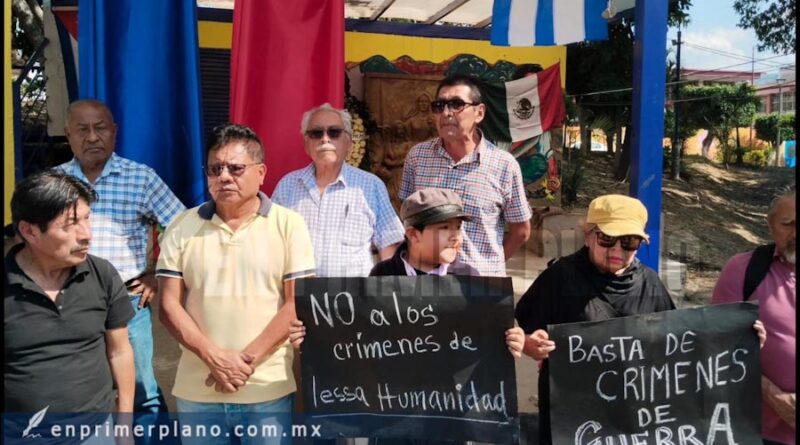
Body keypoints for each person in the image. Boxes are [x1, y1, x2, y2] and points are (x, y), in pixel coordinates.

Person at [157, 123, 315, 444]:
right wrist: (213, 358)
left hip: (266, 389)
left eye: (235, 168)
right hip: (198, 392)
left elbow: (295, 303)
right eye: (215, 169)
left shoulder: (289, 225)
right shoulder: (181, 225)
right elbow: (168, 305)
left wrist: (242, 364)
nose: (224, 177)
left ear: (261, 172)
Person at [54, 99, 186, 416]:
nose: (92, 137)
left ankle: (152, 437)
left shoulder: (141, 178)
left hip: (128, 303)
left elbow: (183, 228)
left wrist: (158, 274)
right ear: (68, 135)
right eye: (82, 130)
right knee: (78, 391)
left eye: (100, 128)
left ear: (114, 132)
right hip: (68, 304)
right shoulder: (54, 183)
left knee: (141, 391)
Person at [515, 194, 675, 445]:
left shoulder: (651, 284)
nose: (617, 249)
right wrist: (531, 344)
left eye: (629, 241)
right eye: (607, 238)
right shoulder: (560, 277)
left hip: (630, 418)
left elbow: (675, 346)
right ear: (588, 236)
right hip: (570, 417)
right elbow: (527, 331)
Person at [290, 187, 525, 355]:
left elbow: (485, 333)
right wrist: (314, 335)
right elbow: (361, 337)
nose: (456, 236)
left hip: (450, 399)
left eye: (458, 227)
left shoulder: (469, 278)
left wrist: (511, 339)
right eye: (444, 227)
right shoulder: (382, 276)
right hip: (396, 397)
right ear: (413, 234)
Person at [5, 171, 134, 433]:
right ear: (29, 231)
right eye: (70, 224)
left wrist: (124, 426)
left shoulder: (102, 275)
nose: (87, 235)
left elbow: (120, 352)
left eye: (87, 218)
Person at [399, 75, 531, 277]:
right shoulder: (417, 157)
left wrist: (488, 267)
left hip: (481, 286)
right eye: (439, 106)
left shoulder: (504, 165)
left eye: (456, 104)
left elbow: (521, 231)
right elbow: (407, 217)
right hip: (425, 284)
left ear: (479, 112)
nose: (446, 113)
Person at [272, 103, 404, 278]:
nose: (325, 139)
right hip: (297, 292)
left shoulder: (370, 186)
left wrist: (385, 289)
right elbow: (271, 243)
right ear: (306, 144)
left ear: (348, 142)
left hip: (353, 294)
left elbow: (390, 246)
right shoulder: (287, 186)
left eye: (334, 132)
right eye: (316, 133)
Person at [712, 185, 795, 445]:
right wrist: (774, 396)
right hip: (757, 432)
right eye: (788, 224)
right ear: (770, 225)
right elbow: (716, 348)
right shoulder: (743, 270)